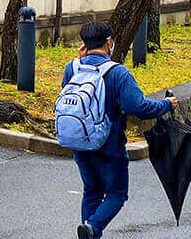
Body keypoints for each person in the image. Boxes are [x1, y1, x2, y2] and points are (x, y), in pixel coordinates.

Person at [63, 21, 178, 239]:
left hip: (80, 140)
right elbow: (139, 107)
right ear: (109, 43)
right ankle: (93, 228)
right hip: (108, 144)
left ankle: (90, 233)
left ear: (84, 44)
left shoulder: (72, 68)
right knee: (116, 193)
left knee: (92, 190)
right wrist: (166, 105)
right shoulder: (118, 73)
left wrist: (80, 61)